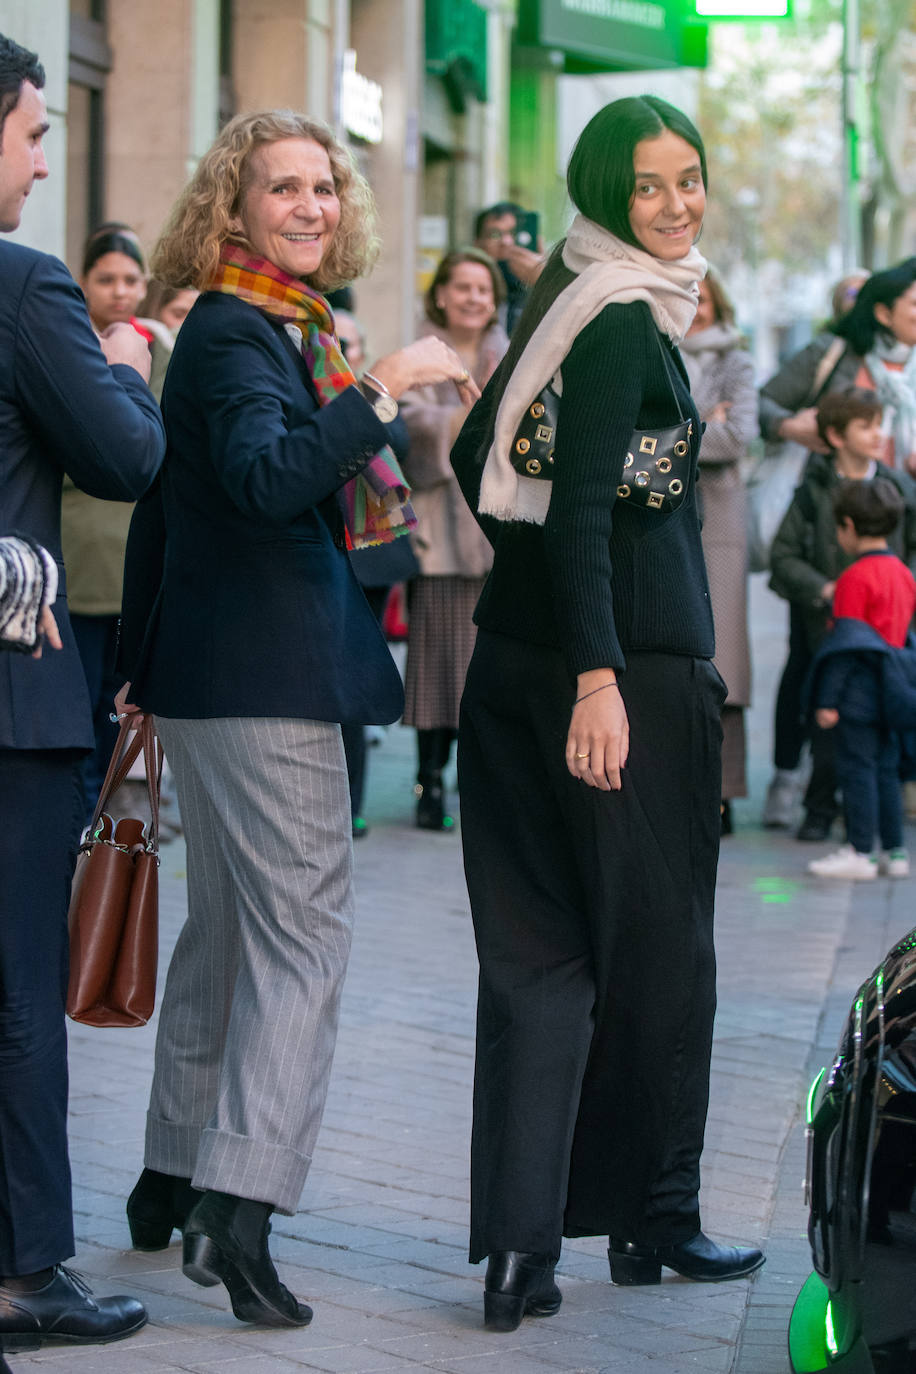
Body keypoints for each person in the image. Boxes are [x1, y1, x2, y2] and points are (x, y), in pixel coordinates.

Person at [116, 108, 478, 1329]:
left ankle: (170, 1178)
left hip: (220, 669)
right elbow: (274, 482)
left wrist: (140, 661)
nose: (313, 206)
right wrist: (384, 385)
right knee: (302, 942)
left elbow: (175, 500)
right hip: (262, 678)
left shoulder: (264, 325)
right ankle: (243, 1204)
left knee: (227, 932)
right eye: (284, 190)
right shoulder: (234, 333)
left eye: (324, 187)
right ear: (233, 210)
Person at [450, 94, 763, 1334]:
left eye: (689, 179)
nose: (677, 204)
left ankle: (520, 1257)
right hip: (619, 681)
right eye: (650, 186)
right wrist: (600, 671)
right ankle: (653, 1221)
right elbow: (578, 503)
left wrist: (561, 604)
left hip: (515, 668)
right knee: (663, 956)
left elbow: (486, 453)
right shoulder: (624, 314)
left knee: (535, 966)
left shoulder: (562, 294)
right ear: (604, 191)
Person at [0, 32, 165, 1352]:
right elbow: (124, 458)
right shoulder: (25, 289)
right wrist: (123, 365)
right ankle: (28, 1270)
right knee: (12, 997)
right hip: (11, 705)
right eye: (34, 130)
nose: (44, 156)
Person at [761, 259, 916, 838]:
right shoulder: (833, 354)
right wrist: (795, 428)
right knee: (813, 667)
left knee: (890, 669)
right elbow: (767, 404)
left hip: (897, 531)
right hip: (831, 529)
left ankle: (878, 789)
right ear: (883, 311)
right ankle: (800, 786)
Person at [400, 249, 509, 829]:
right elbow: (407, 426)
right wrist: (476, 417)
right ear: (440, 294)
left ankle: (484, 783)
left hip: (499, 536)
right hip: (439, 536)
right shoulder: (418, 355)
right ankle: (430, 781)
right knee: (437, 669)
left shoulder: (513, 352)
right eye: (462, 287)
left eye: (483, 289)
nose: (473, 298)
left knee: (489, 670)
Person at [59, 226, 155, 818]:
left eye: (130, 279)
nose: (120, 291)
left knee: (128, 698)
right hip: (83, 556)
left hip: (139, 555)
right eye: (106, 279)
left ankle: (116, 812)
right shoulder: (66, 348)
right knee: (82, 694)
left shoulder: (163, 351)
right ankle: (81, 809)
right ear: (84, 284)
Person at [806, 477, 916, 880]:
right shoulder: (904, 575)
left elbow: (845, 646)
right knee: (888, 769)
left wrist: (828, 701)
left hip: (858, 693)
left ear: (848, 526)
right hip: (895, 687)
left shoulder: (854, 579)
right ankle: (895, 851)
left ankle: (860, 851)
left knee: (856, 768)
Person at [680, 267, 757, 832]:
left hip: (721, 522)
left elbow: (740, 435)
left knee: (723, 659)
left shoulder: (738, 361)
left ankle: (725, 791)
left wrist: (673, 437)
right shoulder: (654, 347)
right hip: (664, 516)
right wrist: (704, 426)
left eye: (706, 297)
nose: (698, 307)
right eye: (689, 297)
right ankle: (679, 780)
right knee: (676, 653)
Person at [474, 202, 544, 333]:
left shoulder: (541, 288)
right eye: (494, 235)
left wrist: (544, 278)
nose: (506, 242)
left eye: (514, 234)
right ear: (478, 244)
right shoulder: (470, 292)